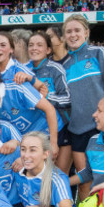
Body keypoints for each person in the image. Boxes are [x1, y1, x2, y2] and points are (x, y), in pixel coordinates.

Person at [61, 14, 104, 200]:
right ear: (63, 36)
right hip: (78, 131)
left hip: (102, 128)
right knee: (84, 181)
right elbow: (67, 100)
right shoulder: (65, 65)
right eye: (68, 31)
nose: (73, 35)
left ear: (86, 32)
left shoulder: (100, 53)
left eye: (77, 30)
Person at [0, 60, 60, 158]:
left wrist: (53, 143)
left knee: (56, 172)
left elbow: (49, 109)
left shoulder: (16, 88)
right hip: (32, 142)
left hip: (54, 132)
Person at [15, 31, 71, 174]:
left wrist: (44, 98)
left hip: (58, 131)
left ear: (48, 50)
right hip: (35, 133)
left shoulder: (55, 69)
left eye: (40, 45)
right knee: (37, 176)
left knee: (57, 175)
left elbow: (67, 98)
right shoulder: (23, 70)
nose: (34, 48)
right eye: (31, 45)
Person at [15, 131, 74, 207]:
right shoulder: (18, 172)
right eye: (23, 149)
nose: (26, 155)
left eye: (32, 150)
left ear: (45, 154)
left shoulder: (56, 178)